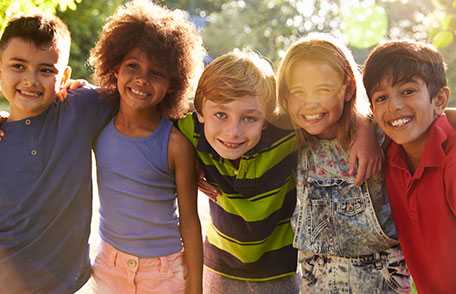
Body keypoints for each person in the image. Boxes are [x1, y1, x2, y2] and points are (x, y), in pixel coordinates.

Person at [176, 49, 383, 294]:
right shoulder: (190, 132)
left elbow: (328, 117)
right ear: (200, 112)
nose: (233, 132)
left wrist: (364, 128)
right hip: (219, 268)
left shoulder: (285, 134)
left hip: (279, 273)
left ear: (266, 118)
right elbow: (155, 121)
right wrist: (188, 160)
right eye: (221, 114)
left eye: (249, 118)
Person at [276, 34, 410, 293]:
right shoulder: (290, 137)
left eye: (323, 90)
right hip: (318, 278)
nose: (310, 102)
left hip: (381, 280)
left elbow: (434, 119)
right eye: (297, 92)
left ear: (348, 88)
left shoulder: (382, 136)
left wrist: (365, 124)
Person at [88, 1, 205, 293]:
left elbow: (190, 220)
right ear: (114, 68)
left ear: (172, 84)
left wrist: (195, 288)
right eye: (133, 66)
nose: (142, 79)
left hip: (163, 273)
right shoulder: (97, 124)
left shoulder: (176, 144)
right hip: (108, 268)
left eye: (156, 73)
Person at [0, 14, 114, 293]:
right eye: (18, 66)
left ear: (63, 77)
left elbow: (141, 94)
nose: (30, 80)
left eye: (46, 70)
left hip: (64, 284)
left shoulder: (80, 108)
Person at [363, 40, 456, 294]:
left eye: (407, 91)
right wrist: (364, 132)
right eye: (382, 97)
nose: (395, 106)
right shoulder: (388, 155)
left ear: (439, 100)